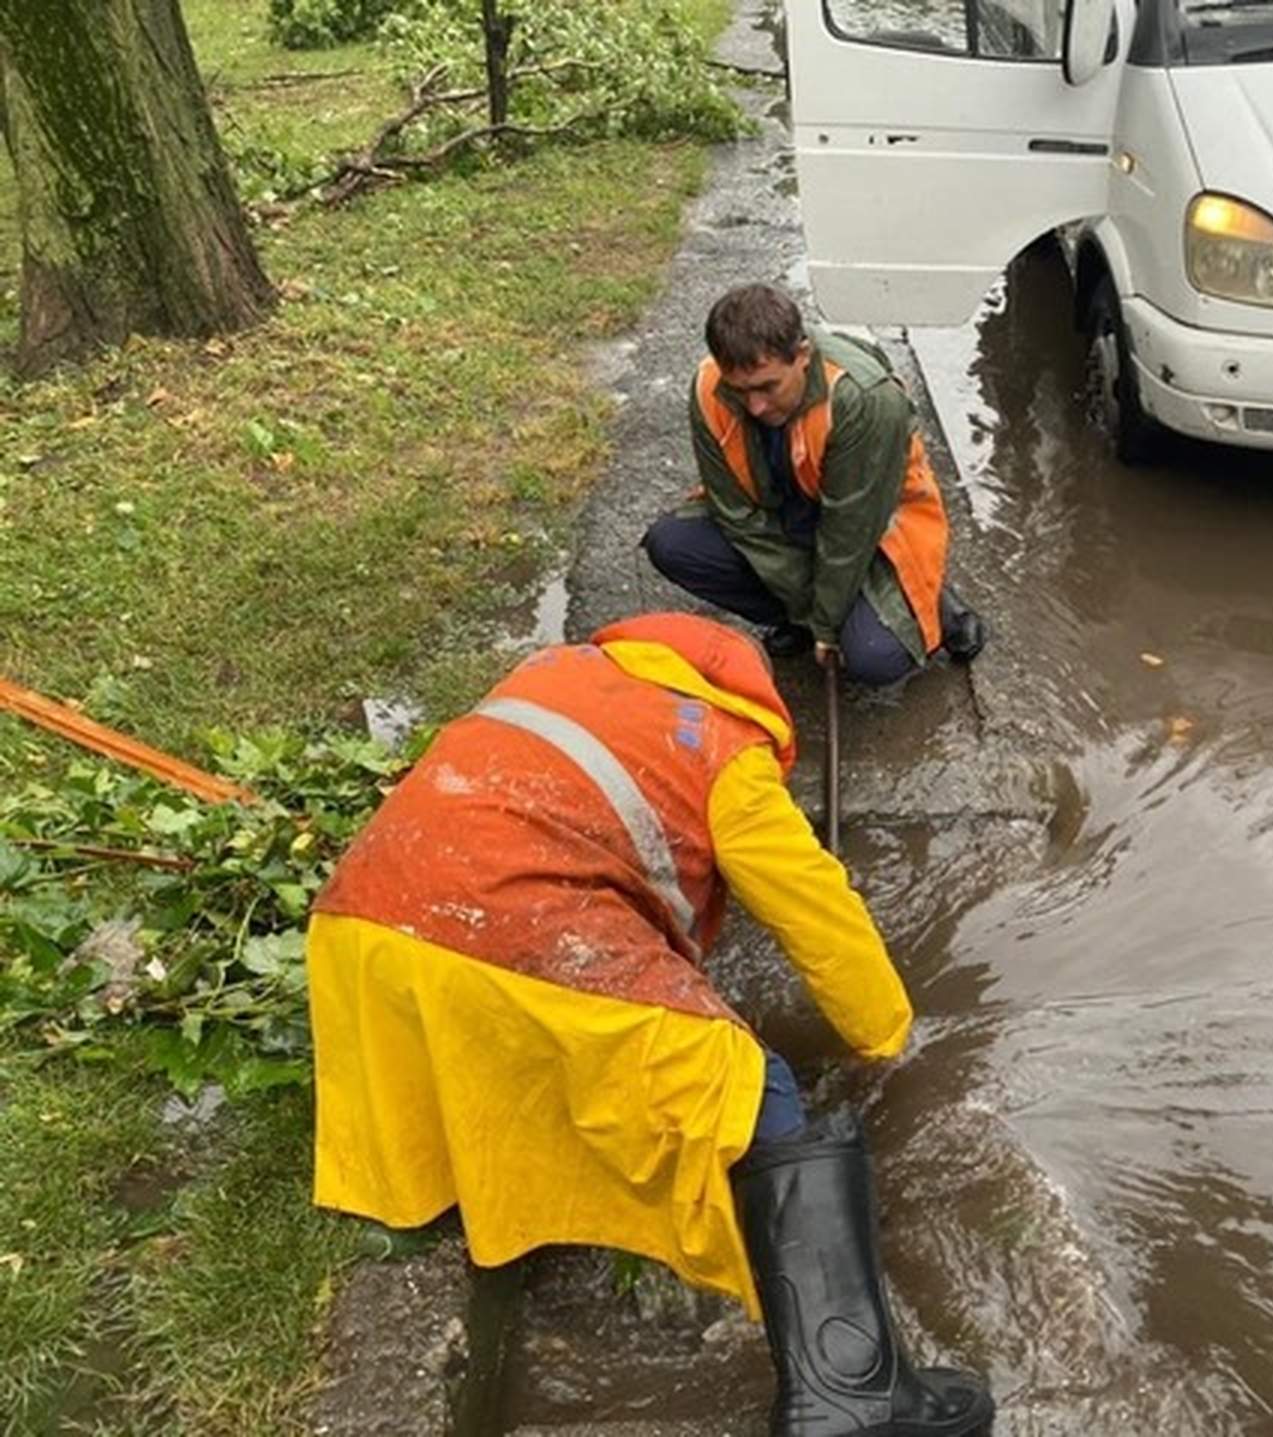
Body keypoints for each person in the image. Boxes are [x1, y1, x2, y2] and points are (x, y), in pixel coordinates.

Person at [307, 612, 993, 1437]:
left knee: (548, 1031)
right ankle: (852, 1390)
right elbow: (816, 910)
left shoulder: (555, 674)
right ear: (753, 697)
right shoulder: (723, 743)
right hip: (506, 935)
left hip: (357, 937)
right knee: (751, 1086)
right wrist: (885, 1036)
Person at [643, 283, 987, 688]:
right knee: (671, 544)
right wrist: (813, 617)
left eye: (768, 387)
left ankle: (931, 601)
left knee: (874, 659)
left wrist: (827, 627)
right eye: (740, 391)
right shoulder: (708, 388)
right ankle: (802, 617)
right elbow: (735, 515)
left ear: (802, 356)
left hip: (871, 532)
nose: (754, 407)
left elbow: (850, 532)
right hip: (783, 524)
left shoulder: (865, 400)